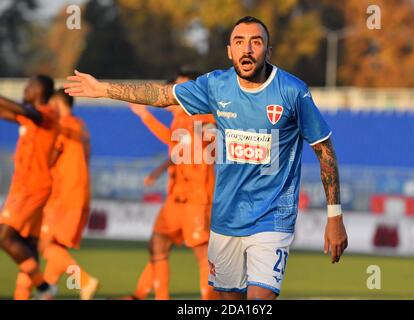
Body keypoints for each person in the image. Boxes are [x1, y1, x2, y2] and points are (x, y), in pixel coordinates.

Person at [64, 16, 348, 300]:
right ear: (229, 51)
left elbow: (324, 150)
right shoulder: (216, 86)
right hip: (225, 219)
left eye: (256, 42)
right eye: (239, 42)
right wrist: (103, 90)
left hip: (271, 219)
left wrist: (334, 216)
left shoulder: (292, 91)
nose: (247, 49)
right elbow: (163, 95)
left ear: (268, 51)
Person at [125, 71, 219, 300]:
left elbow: (204, 145)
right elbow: (176, 147)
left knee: (201, 252)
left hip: (197, 196)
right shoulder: (181, 119)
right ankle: (153, 296)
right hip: (177, 196)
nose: (178, 92)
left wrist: (145, 116)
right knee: (158, 243)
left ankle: (212, 299)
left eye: (183, 87)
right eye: (176, 87)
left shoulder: (204, 116)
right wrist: (158, 172)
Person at [0, 75, 58, 299]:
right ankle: (33, 294)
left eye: (29, 85)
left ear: (39, 90)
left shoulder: (46, 114)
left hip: (32, 187)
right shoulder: (30, 119)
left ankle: (44, 287)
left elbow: (26, 112)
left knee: (4, 237)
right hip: (24, 186)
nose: (25, 88)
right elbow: (9, 113)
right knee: (27, 244)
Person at [39, 89, 99, 300]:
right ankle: (47, 292)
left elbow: (49, 156)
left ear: (56, 103)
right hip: (81, 194)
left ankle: (84, 281)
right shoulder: (81, 126)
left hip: (64, 195)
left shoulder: (62, 126)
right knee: (57, 247)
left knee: (45, 245)